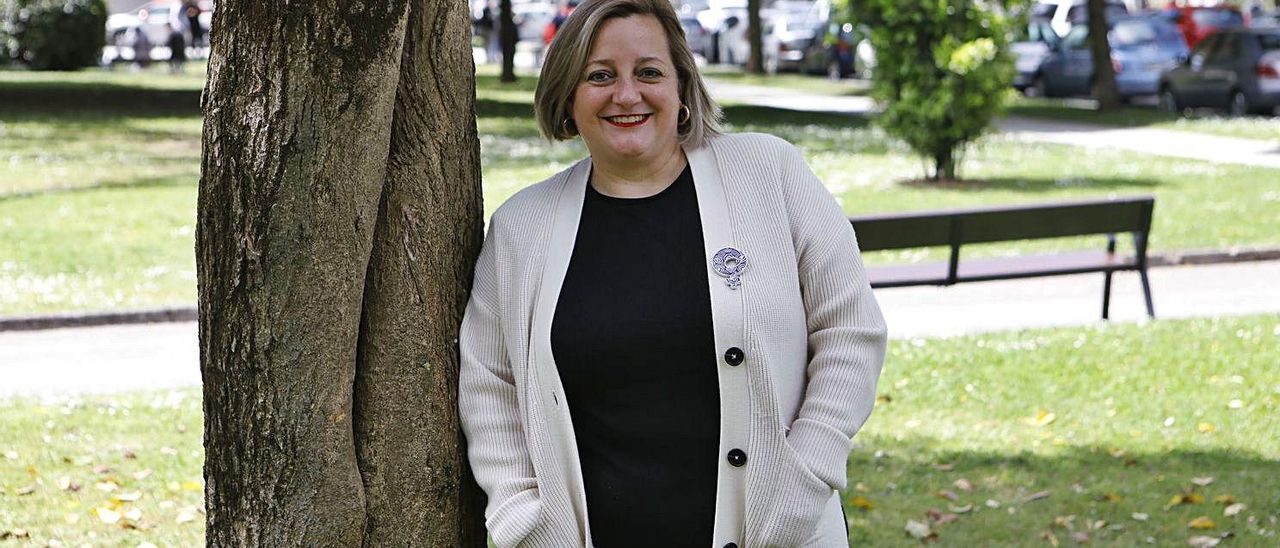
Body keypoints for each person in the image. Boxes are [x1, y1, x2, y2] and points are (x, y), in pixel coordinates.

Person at [457, 0, 887, 546]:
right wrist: (524, 518)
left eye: (649, 72)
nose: (627, 94)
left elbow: (850, 329)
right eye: (600, 76)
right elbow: (488, 384)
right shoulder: (523, 226)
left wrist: (804, 475)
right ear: (568, 97)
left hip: (779, 532)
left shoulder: (768, 174)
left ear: (682, 87)